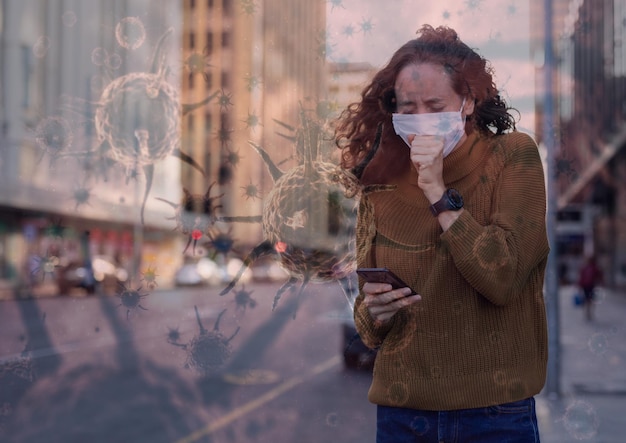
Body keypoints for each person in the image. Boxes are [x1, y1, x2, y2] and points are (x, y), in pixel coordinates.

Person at [334, 25, 549, 442]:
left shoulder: (512, 156)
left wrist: (435, 190)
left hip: (495, 415)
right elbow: (366, 320)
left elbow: (503, 276)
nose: (420, 122)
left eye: (434, 105)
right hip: (402, 415)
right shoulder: (380, 184)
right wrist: (375, 313)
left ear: (467, 101)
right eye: (408, 107)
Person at [578, 255, 603, 321]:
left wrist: (580, 285)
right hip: (589, 285)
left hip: (588, 285)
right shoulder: (593, 268)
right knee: (590, 299)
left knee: (588, 299)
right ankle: (588, 312)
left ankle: (588, 312)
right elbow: (599, 275)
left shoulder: (587, 268)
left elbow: (581, 277)